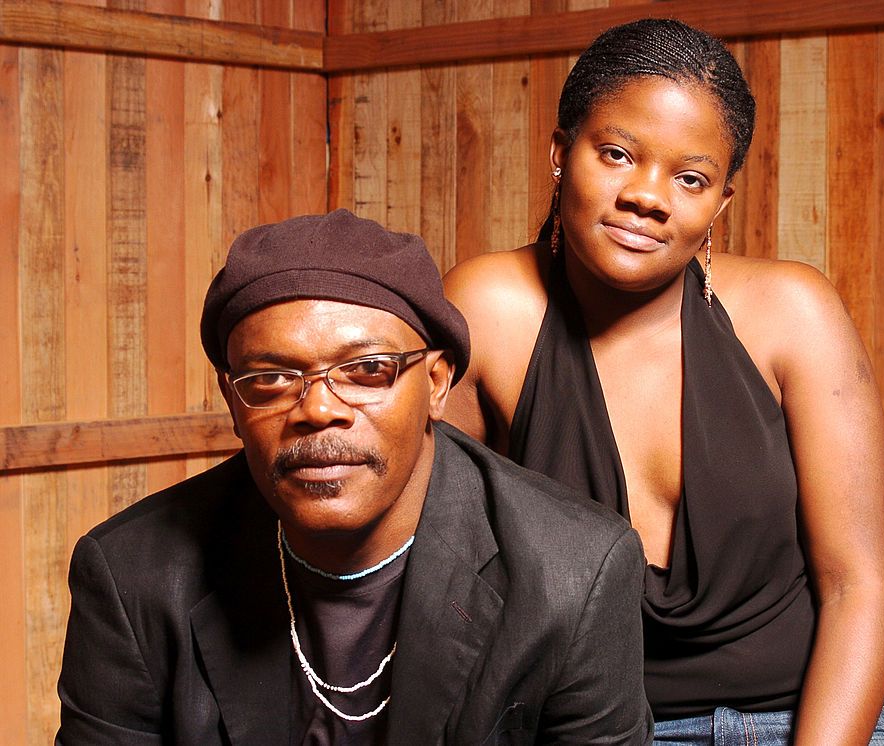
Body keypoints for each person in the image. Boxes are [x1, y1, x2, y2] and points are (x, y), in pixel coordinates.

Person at [443, 18, 884, 746]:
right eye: (616, 153)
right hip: (601, 726)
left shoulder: (792, 312)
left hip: (822, 715)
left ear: (720, 205)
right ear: (560, 153)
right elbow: (440, 571)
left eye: (691, 177)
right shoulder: (491, 307)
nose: (648, 196)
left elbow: (856, 587)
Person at [56, 209, 653, 744]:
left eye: (367, 369)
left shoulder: (575, 572)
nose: (318, 408)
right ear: (234, 402)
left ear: (438, 384)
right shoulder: (132, 573)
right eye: (270, 378)